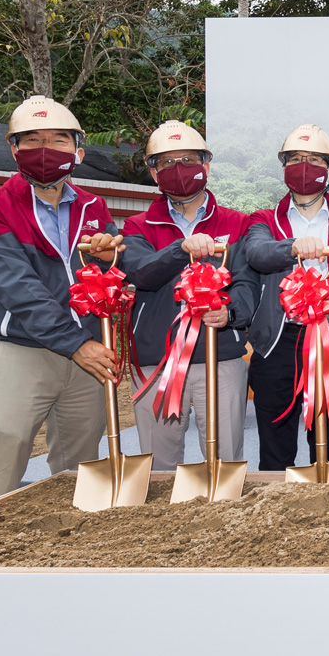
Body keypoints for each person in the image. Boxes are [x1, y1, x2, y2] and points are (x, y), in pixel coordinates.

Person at [0, 96, 122, 508]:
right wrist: (76, 343)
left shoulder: (93, 208)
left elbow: (108, 278)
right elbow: (19, 289)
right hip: (20, 352)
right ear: (14, 150)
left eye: (59, 140)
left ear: (78, 151)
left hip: (84, 358)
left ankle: (73, 553)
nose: (45, 149)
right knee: (2, 460)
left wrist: (111, 255)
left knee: (81, 468)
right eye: (32, 140)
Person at [120, 121, 257, 471]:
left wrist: (232, 313)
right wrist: (181, 250)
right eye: (165, 163)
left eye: (187, 159)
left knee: (226, 463)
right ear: (153, 173)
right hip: (156, 363)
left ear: (206, 166)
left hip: (221, 356)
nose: (177, 170)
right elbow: (140, 273)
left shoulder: (237, 222)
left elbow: (247, 282)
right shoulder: (137, 226)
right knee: (159, 467)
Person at [243, 124, 329, 471]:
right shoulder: (263, 219)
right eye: (295, 158)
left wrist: (324, 294)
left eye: (314, 159)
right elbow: (257, 253)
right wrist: (292, 247)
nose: (303, 165)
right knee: (275, 442)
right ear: (283, 167)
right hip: (276, 343)